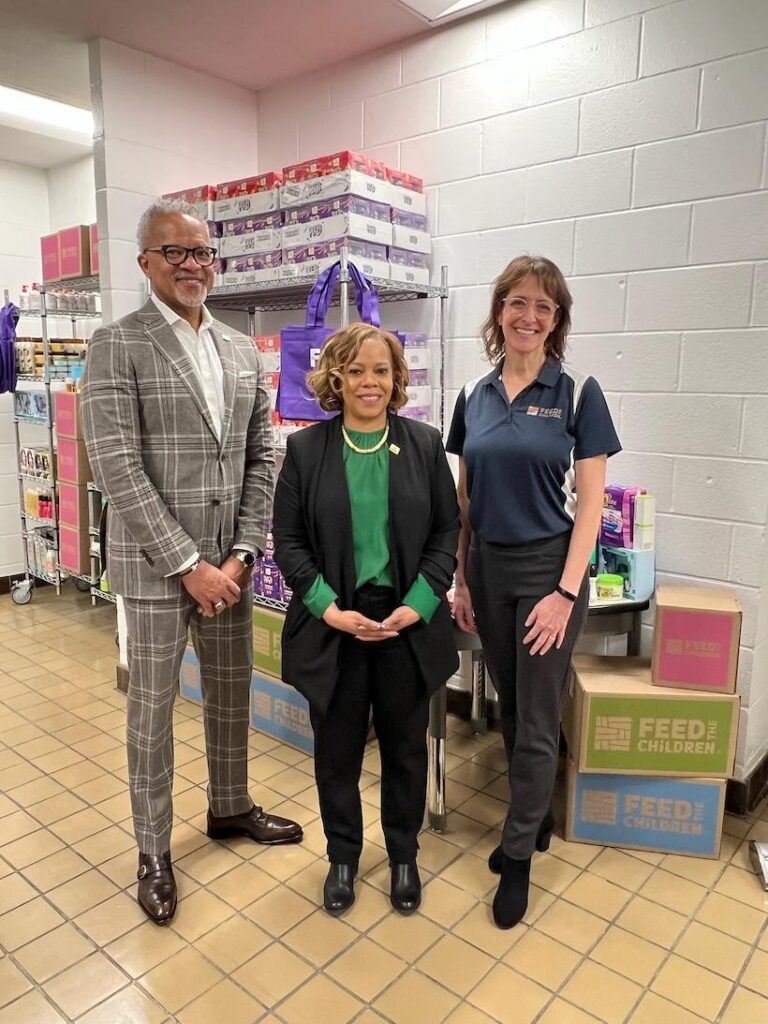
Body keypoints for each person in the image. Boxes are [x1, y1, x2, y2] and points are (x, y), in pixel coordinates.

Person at [81, 200, 302, 926]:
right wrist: (187, 564)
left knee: (233, 692)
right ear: (145, 262)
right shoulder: (119, 343)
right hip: (155, 570)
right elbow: (116, 465)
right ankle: (152, 850)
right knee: (150, 709)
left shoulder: (242, 350)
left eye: (203, 253)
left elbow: (260, 455)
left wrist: (241, 554)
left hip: (230, 570)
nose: (192, 265)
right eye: (175, 252)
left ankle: (230, 807)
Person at [447, 255, 620, 929]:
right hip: (488, 568)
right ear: (499, 312)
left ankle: (516, 855)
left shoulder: (578, 394)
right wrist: (462, 576)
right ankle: (537, 814)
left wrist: (565, 593)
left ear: (557, 321)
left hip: (548, 570)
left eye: (543, 307)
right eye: (518, 302)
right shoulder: (474, 395)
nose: (528, 316)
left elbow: (592, 506)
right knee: (513, 705)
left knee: (539, 715)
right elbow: (465, 499)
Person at [273, 322, 459, 916]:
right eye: (356, 371)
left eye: (381, 370)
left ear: (397, 378)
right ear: (336, 378)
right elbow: (290, 540)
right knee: (338, 750)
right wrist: (328, 607)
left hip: (406, 619)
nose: (369, 382)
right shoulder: (306, 451)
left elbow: (446, 533)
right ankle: (344, 858)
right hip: (337, 621)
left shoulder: (425, 446)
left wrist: (421, 604)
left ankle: (403, 855)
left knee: (406, 746)